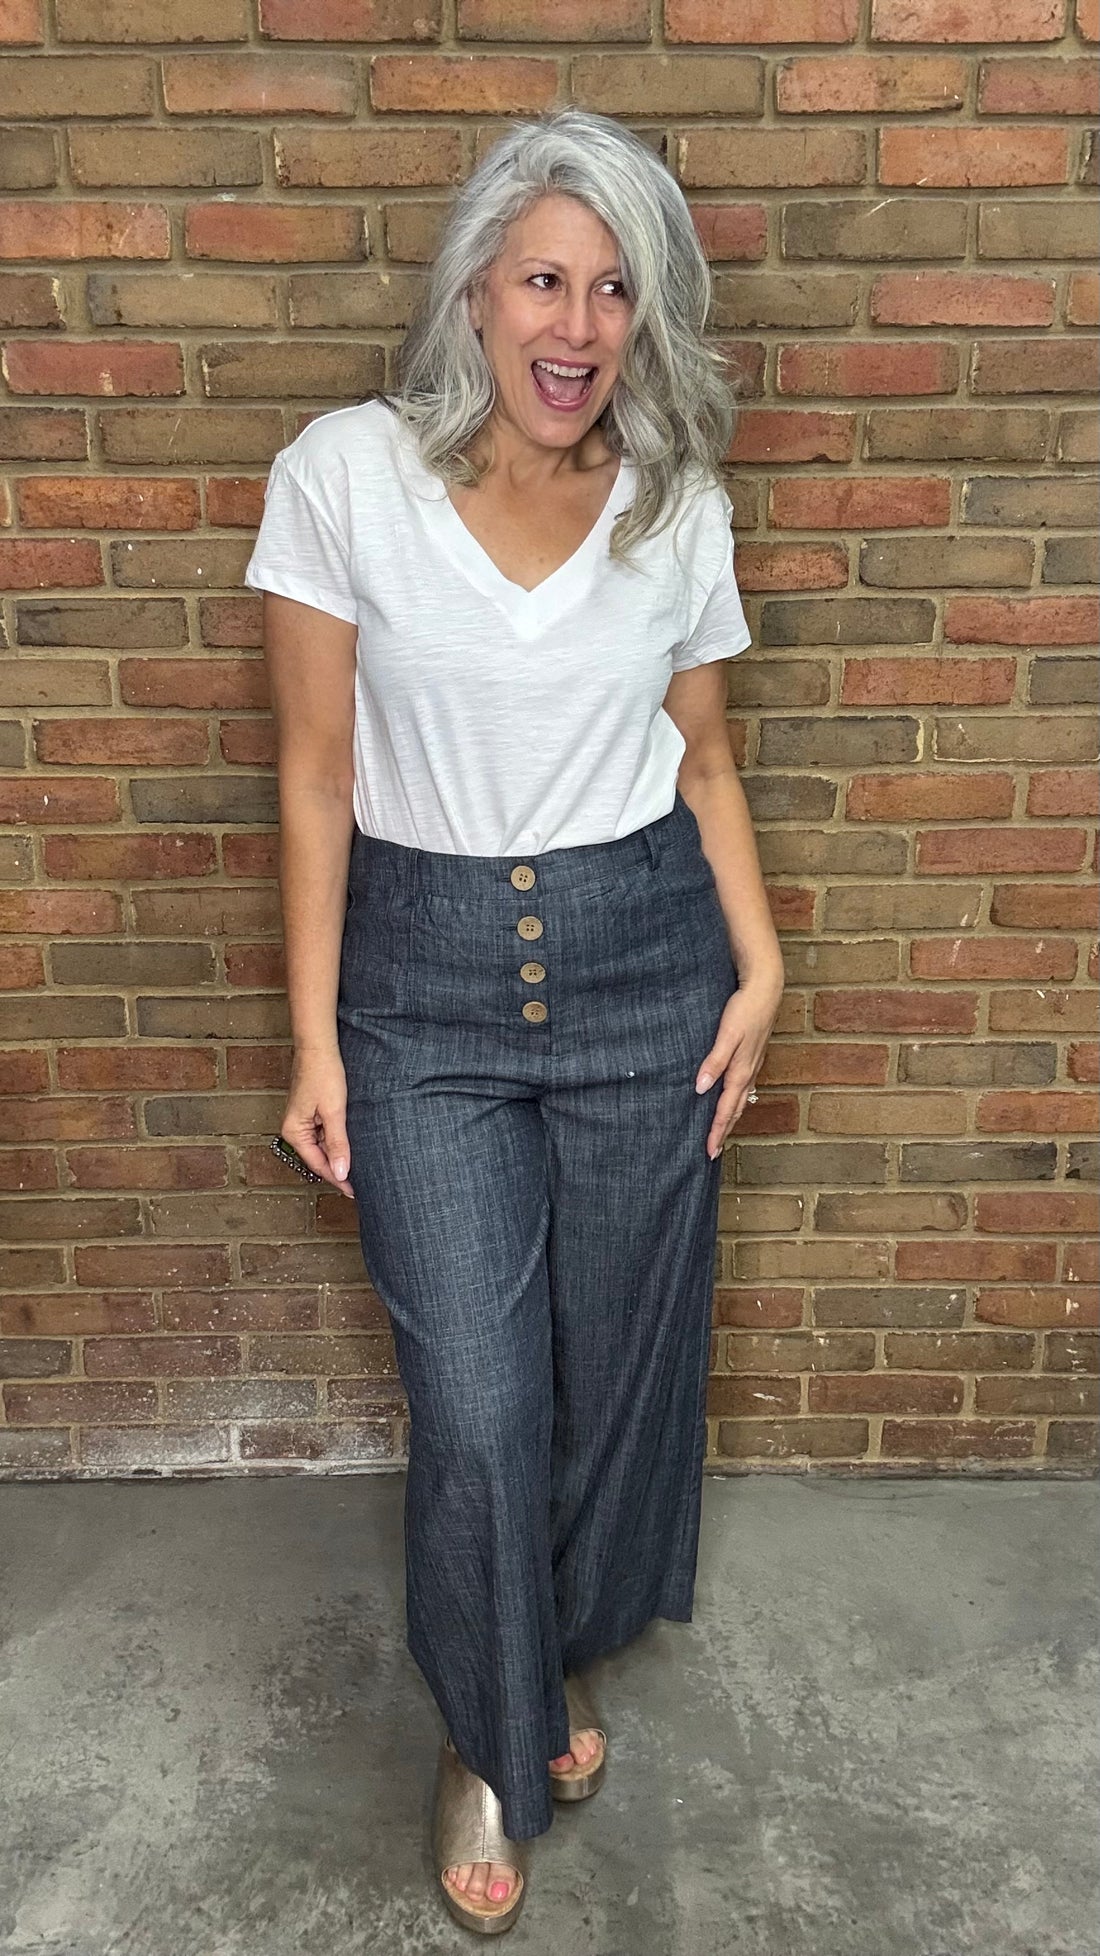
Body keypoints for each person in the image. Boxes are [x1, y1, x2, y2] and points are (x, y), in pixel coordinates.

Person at [244, 106, 785, 1935]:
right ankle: (490, 1729)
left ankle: (542, 1657)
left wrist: (763, 967)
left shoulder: (673, 499)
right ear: (478, 290)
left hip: (650, 959)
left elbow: (702, 760)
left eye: (616, 287)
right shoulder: (344, 475)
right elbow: (317, 777)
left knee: (619, 1368)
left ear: (647, 319)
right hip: (425, 988)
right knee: (478, 1397)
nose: (579, 320)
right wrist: (317, 1041)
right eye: (546, 275)